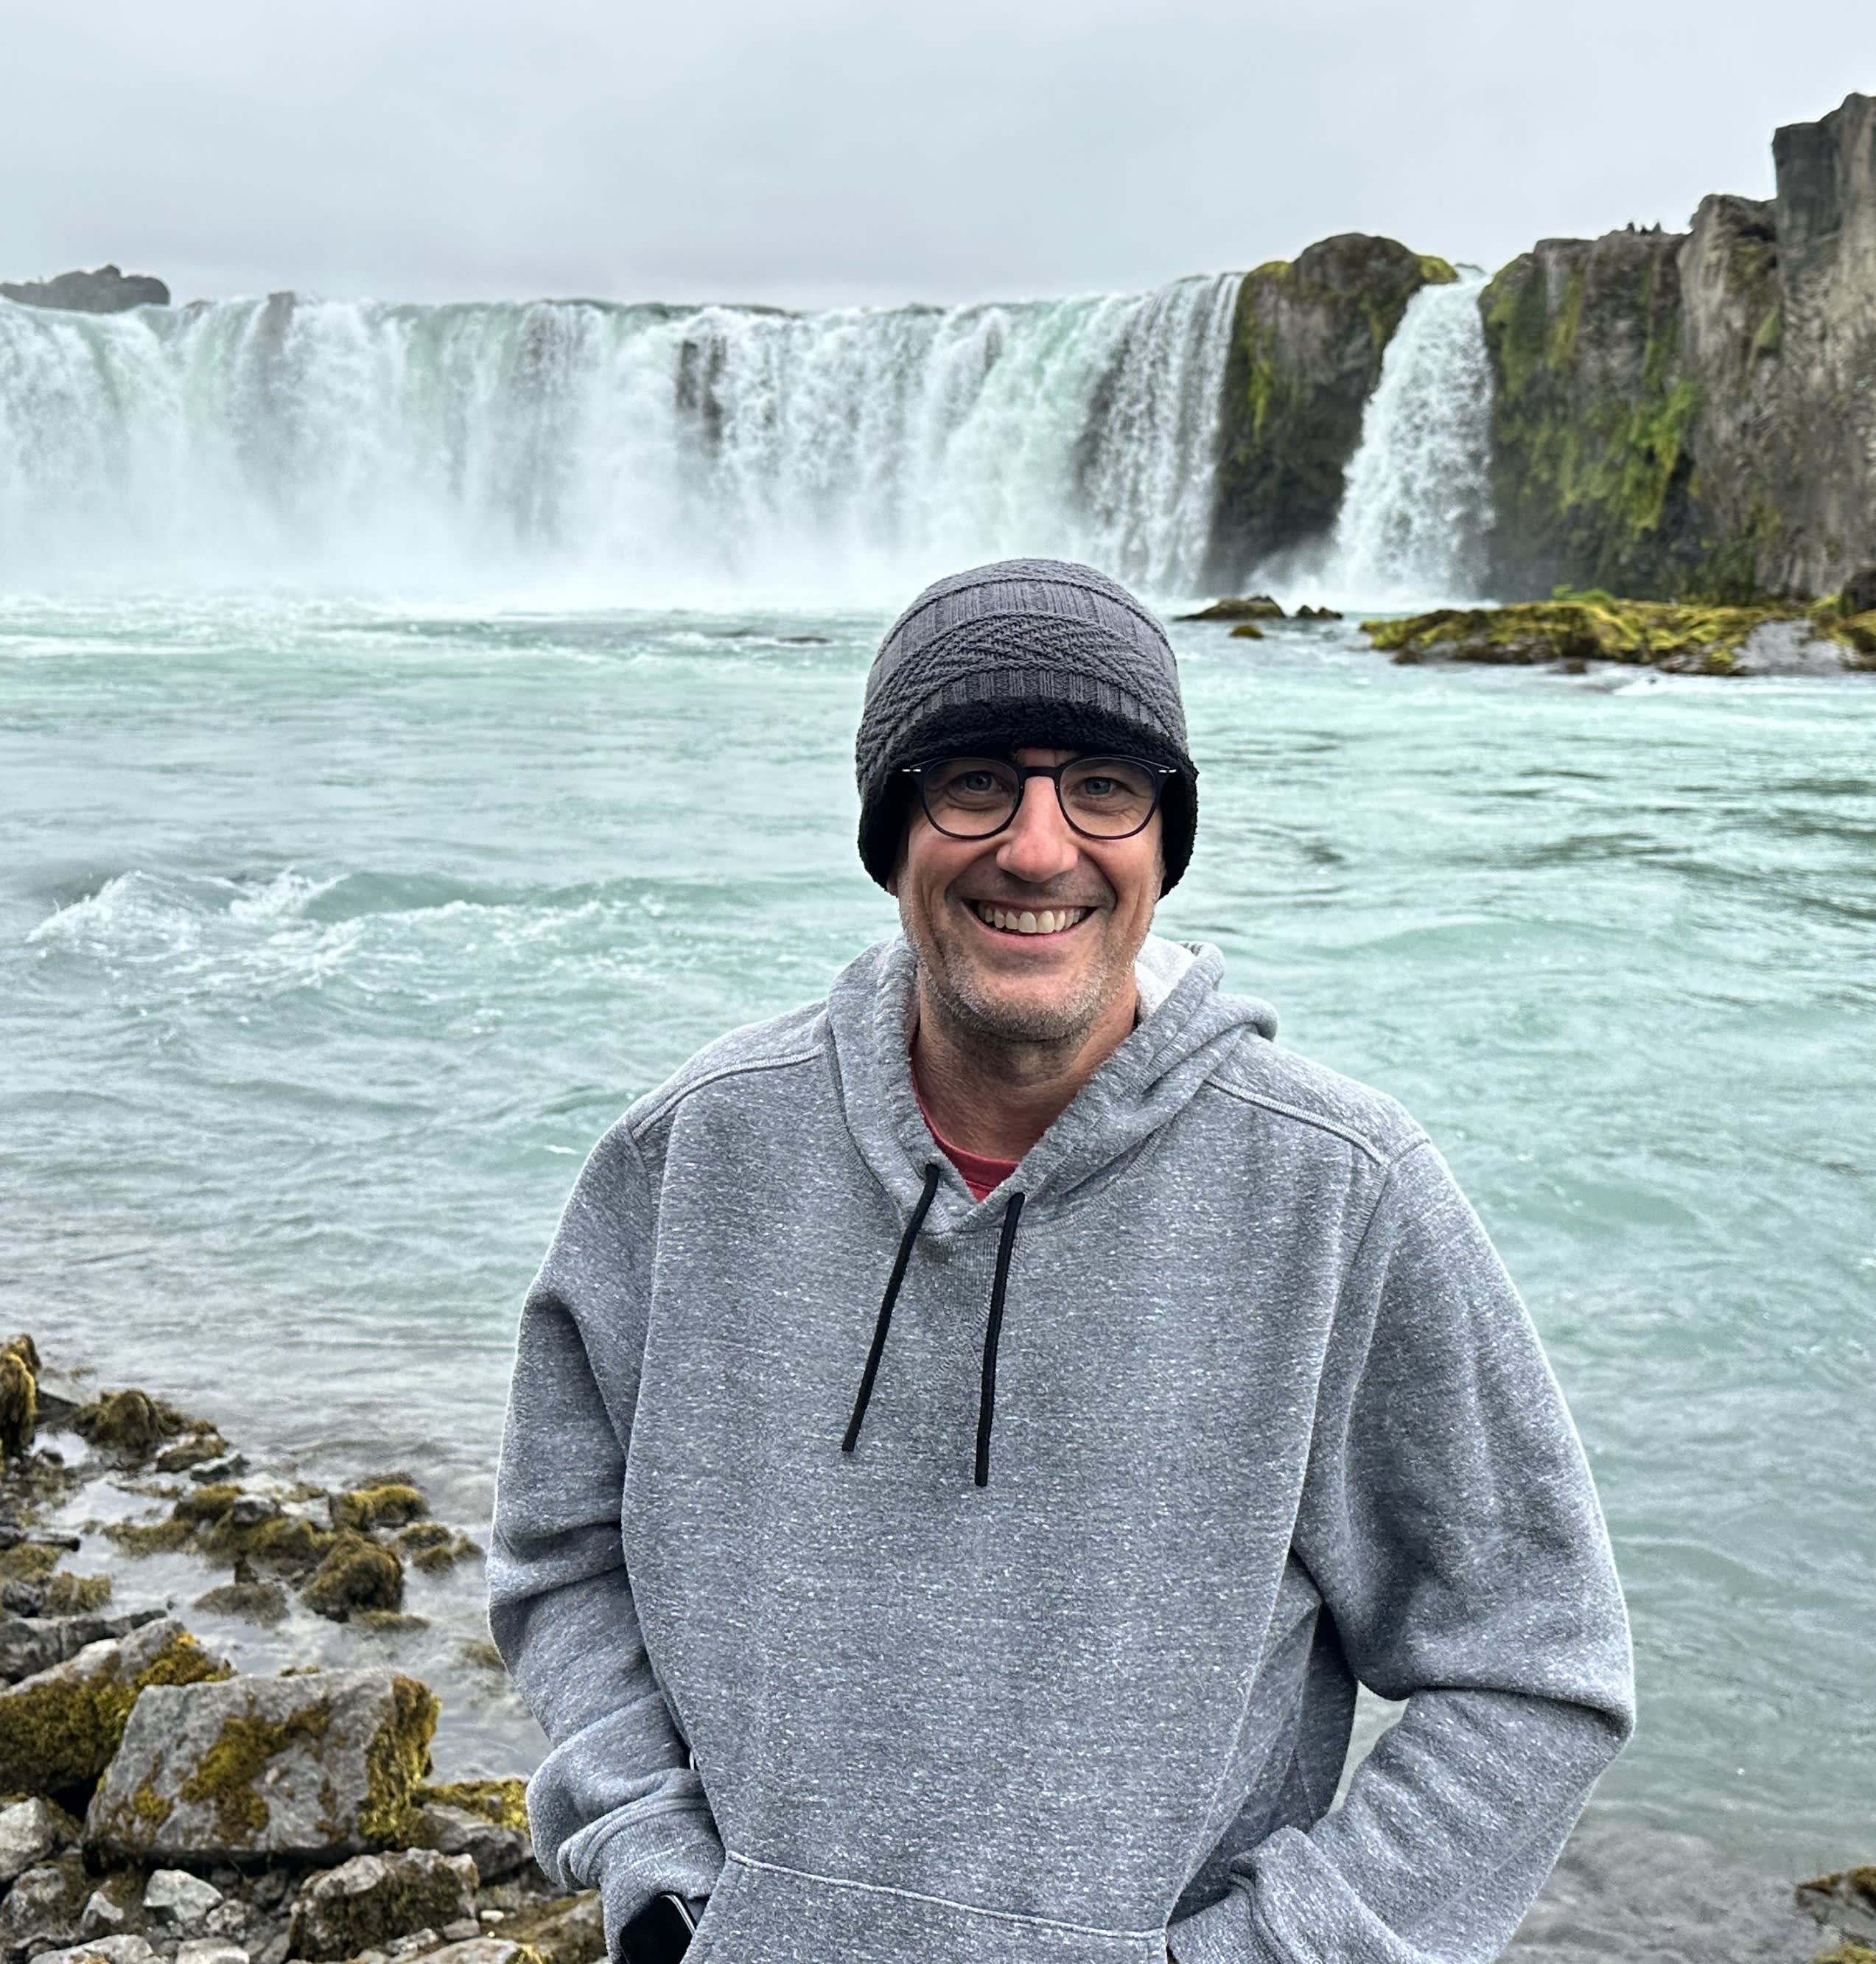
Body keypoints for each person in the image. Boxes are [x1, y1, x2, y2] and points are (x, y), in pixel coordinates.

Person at [488, 559, 1634, 1964]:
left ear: (1164, 838)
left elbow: (1534, 1670)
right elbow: (560, 1555)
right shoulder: (689, 1154)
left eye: (1103, 787)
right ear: (889, 829)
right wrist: (659, 1874)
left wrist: (1264, 1953)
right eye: (975, 782)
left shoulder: (1341, 1194)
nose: (1039, 850)